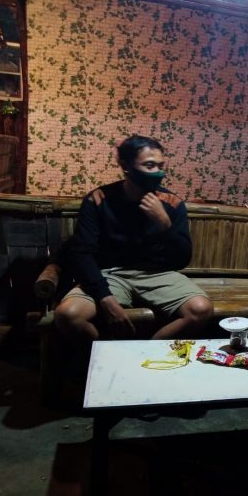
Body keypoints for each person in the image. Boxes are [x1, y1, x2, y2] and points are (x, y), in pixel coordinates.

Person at [54, 135, 213, 343]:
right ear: (125, 166)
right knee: (68, 315)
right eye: (149, 165)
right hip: (110, 274)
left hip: (157, 274)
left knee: (200, 310)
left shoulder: (172, 203)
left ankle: (144, 354)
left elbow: (182, 260)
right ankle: (110, 353)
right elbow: (81, 253)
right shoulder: (99, 199)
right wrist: (106, 300)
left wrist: (166, 226)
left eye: (161, 166)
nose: (157, 172)